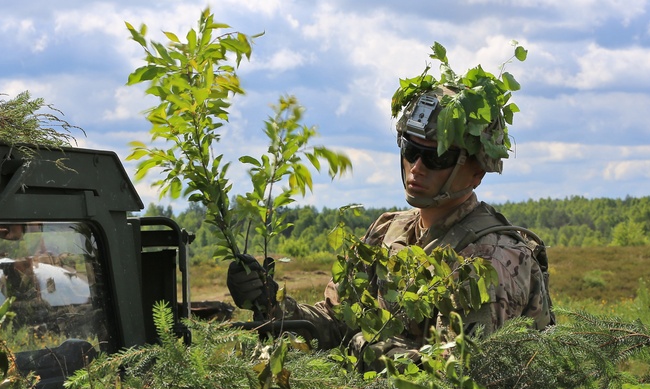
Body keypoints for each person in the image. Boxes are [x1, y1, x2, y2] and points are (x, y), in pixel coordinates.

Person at [227, 84, 553, 363]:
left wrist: (364, 346)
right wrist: (271, 304)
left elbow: (457, 379)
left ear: (477, 171)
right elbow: (338, 319)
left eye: (437, 157)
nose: (417, 168)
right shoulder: (388, 230)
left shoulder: (486, 261)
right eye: (411, 150)